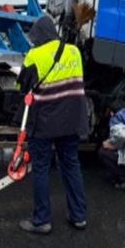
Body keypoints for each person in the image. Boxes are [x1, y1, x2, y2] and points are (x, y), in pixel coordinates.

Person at [16, 16, 89, 235]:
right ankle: (79, 216)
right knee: (71, 165)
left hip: (45, 121)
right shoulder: (74, 51)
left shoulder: (34, 55)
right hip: (72, 120)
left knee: (40, 168)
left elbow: (22, 86)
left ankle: (42, 220)